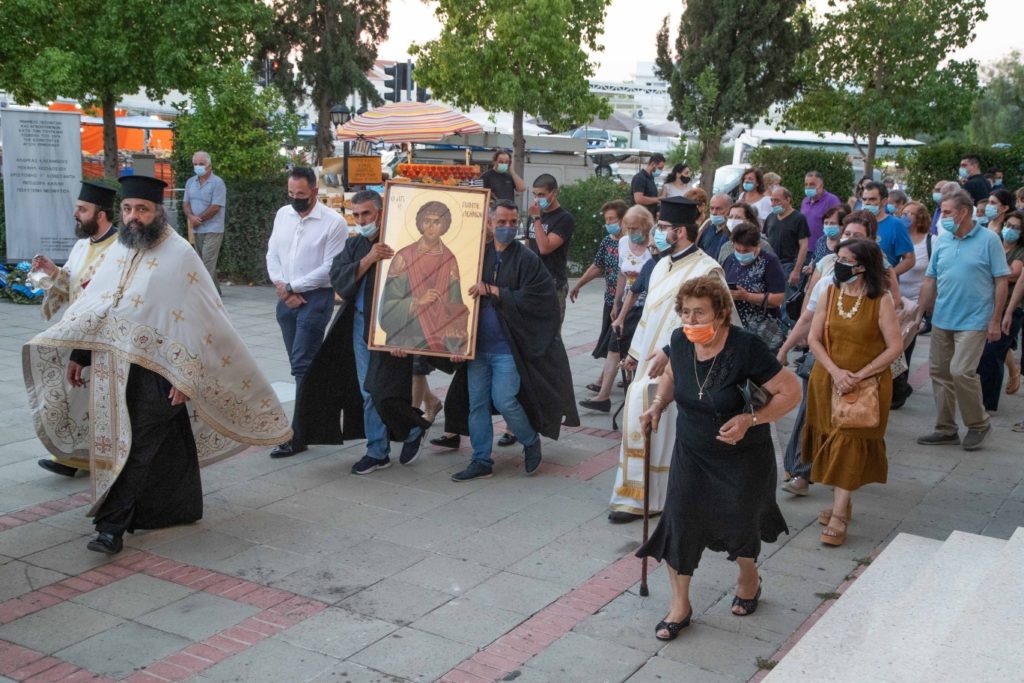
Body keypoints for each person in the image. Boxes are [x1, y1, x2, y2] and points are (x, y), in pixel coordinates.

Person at [23, 175, 290, 554]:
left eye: (142, 210)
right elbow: (99, 302)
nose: (133, 216)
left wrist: (188, 376)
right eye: (128, 209)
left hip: (161, 370)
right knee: (160, 441)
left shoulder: (180, 254)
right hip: (115, 366)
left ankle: (110, 528)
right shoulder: (121, 248)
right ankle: (176, 506)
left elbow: (203, 317)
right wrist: (81, 354)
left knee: (138, 445)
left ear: (159, 212)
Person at [636, 275, 801, 638]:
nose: (691, 320)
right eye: (685, 312)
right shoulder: (680, 341)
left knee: (740, 524)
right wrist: (658, 405)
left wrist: (750, 419)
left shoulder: (746, 347)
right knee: (679, 520)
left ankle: (749, 577)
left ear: (722, 313)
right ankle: (680, 605)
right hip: (692, 451)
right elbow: (674, 375)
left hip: (742, 456)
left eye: (700, 312)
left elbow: (791, 391)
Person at [290, 190, 430, 472]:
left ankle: (414, 427)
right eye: (356, 215)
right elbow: (339, 279)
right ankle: (377, 451)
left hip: (393, 327)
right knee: (368, 391)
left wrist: (408, 333)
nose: (362, 220)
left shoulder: (400, 241)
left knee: (384, 391)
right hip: (359, 325)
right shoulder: (354, 246)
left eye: (367, 213)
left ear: (380, 213)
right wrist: (369, 259)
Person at [607, 197, 726, 523]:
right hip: (650, 362)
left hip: (684, 365)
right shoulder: (660, 264)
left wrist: (672, 351)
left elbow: (716, 322)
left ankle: (659, 498)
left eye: (662, 228)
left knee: (667, 430)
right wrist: (635, 354)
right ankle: (639, 496)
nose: (656, 234)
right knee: (643, 421)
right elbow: (649, 316)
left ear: (681, 231)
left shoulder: (707, 270)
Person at [446, 200, 580, 481]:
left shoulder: (527, 259)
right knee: (477, 404)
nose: (508, 227)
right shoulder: (475, 256)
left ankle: (530, 440)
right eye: (501, 222)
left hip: (507, 348)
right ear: (489, 223)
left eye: (512, 222)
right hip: (476, 348)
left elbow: (541, 299)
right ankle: (481, 460)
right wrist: (456, 342)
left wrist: (496, 291)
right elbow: (454, 295)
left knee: (505, 399)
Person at [802, 239, 904, 546]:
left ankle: (838, 516)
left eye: (846, 260)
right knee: (832, 442)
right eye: (838, 259)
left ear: (862, 266)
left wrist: (859, 375)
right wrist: (836, 372)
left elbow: (895, 347)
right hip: (827, 380)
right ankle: (842, 502)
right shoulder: (830, 292)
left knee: (849, 444)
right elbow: (813, 338)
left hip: (866, 385)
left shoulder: (881, 299)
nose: (839, 265)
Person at [31, 180, 119, 477]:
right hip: (77, 333)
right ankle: (70, 458)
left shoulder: (120, 249)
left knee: (98, 401)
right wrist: (53, 271)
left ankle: (92, 458)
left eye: (82, 209)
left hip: (104, 337)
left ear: (100, 214)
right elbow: (71, 284)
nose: (75, 214)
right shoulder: (82, 246)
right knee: (76, 397)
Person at [915, 190, 1009, 451]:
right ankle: (945, 429)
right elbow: (930, 279)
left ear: (964, 212)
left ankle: (978, 424)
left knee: (961, 371)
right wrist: (919, 313)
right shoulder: (943, 240)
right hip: (943, 318)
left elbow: (1001, 281)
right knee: (940, 373)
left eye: (947, 212)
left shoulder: (989, 240)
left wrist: (996, 319)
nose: (942, 217)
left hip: (975, 320)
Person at [265, 167, 347, 458]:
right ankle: (315, 422)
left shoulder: (334, 223)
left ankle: (298, 434)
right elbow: (272, 253)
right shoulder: (282, 215)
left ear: (314, 191)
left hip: (315, 299)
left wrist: (293, 286)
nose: (295, 199)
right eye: (291, 193)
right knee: (300, 366)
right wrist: (282, 286)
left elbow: (330, 268)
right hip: (285, 298)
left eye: (300, 194)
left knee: (302, 364)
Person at [378, 201, 470, 354]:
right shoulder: (403, 257)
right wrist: (417, 302)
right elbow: (387, 307)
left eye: (437, 222)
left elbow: (455, 306)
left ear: (444, 226)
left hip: (438, 341)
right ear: (420, 224)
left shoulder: (450, 260)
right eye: (427, 221)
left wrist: (455, 329)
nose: (431, 227)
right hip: (405, 339)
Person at [588, 205, 655, 411]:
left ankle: (627, 398)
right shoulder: (624, 243)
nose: (631, 232)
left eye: (635, 228)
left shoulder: (654, 247)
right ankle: (604, 395)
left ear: (646, 226)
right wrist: (616, 303)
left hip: (645, 305)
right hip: (627, 301)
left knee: (632, 352)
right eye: (628, 228)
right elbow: (622, 274)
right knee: (614, 347)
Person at [573, 200, 627, 412]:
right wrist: (579, 284)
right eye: (606, 220)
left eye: (612, 219)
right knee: (611, 341)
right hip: (610, 299)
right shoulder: (607, 242)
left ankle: (603, 387)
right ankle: (604, 382)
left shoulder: (631, 242)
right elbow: (598, 266)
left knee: (615, 343)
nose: (608, 224)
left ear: (622, 219)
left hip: (627, 302)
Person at [976, 210, 1024, 411]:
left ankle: (988, 403)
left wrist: (992, 270)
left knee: (992, 354)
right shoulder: (994, 244)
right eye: (1008, 225)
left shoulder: (1020, 252)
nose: (1010, 230)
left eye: (1015, 228)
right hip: (987, 305)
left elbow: (1014, 273)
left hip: (1009, 309)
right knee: (984, 353)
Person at [723, 222, 786, 335]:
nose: (741, 253)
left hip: (763, 328)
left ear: (757, 245)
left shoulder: (769, 262)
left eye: (746, 251)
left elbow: (778, 298)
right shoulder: (730, 260)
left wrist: (747, 296)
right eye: (737, 250)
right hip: (735, 325)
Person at [527, 174, 574, 325]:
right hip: (533, 282)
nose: (537, 199)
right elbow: (528, 246)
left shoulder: (564, 219)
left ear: (554, 193)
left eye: (541, 195)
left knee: (551, 332)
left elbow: (545, 248)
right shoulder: (534, 215)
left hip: (553, 284)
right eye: (535, 194)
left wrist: (537, 219)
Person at [183, 151, 227, 295]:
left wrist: (198, 219)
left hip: (213, 228)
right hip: (196, 228)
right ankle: (216, 291)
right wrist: (191, 216)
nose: (198, 167)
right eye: (195, 164)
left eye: (201, 164)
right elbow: (186, 203)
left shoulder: (218, 183)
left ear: (209, 165)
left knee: (207, 262)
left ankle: (204, 294)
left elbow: (215, 207)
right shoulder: (190, 182)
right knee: (201, 261)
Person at [860, 181, 915, 277]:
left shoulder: (896, 225)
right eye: (864, 199)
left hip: (883, 283)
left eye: (872, 199)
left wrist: (888, 276)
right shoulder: (857, 222)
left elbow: (910, 259)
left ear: (884, 201)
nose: (867, 203)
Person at [764, 187, 810, 292]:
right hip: (771, 265)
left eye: (777, 200)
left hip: (789, 266)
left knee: (786, 299)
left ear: (788, 199)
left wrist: (796, 271)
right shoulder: (770, 217)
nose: (773, 204)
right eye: (772, 200)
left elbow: (804, 246)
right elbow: (765, 240)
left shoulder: (799, 218)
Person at [800, 170, 842, 247]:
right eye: (806, 184)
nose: (808, 187)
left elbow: (840, 224)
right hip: (806, 247)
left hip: (824, 248)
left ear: (821, 185)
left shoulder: (832, 200)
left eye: (812, 184)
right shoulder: (805, 201)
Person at [696, 193, 733, 262]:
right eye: (712, 208)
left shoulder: (732, 232)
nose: (714, 212)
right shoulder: (707, 227)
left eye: (719, 209)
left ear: (730, 209)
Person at [632, 153, 666, 217]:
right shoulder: (640, 178)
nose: (660, 171)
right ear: (653, 164)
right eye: (659, 168)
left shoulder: (651, 178)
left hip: (649, 216)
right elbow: (639, 199)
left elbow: (651, 196)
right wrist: (658, 200)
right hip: (640, 216)